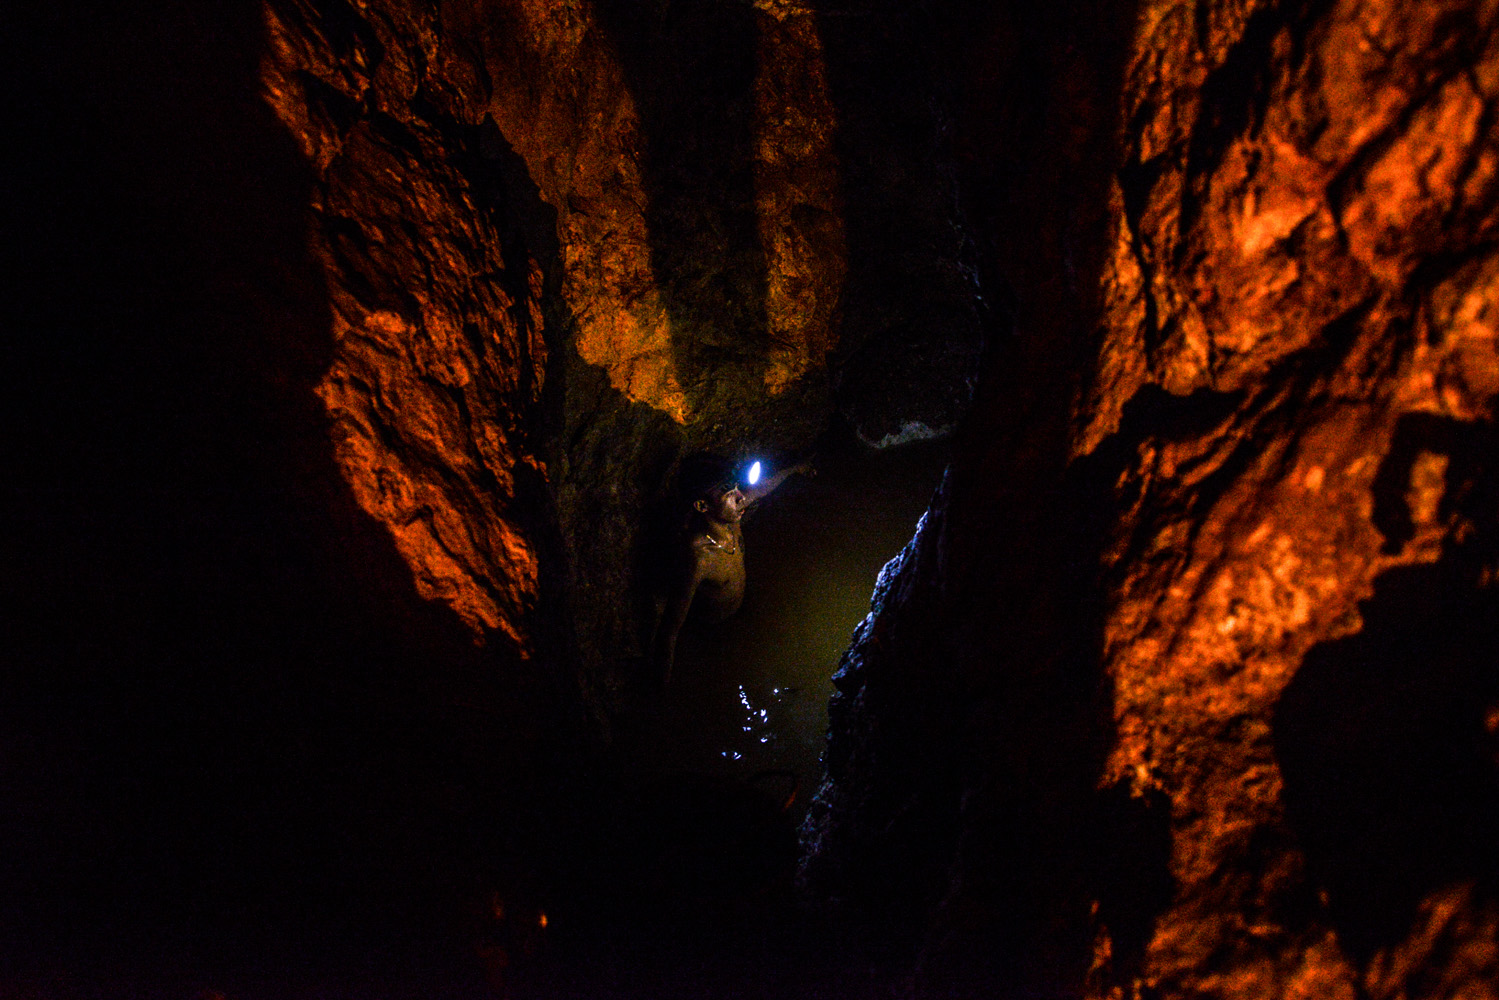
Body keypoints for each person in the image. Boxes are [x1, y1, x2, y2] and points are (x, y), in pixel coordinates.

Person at [650, 457, 813, 683]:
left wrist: (795, 467)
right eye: (729, 492)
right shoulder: (699, 559)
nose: (740, 496)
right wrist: (662, 684)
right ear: (701, 506)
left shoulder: (731, 515)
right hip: (713, 629)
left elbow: (761, 488)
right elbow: (670, 628)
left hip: (740, 607)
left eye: (737, 487)